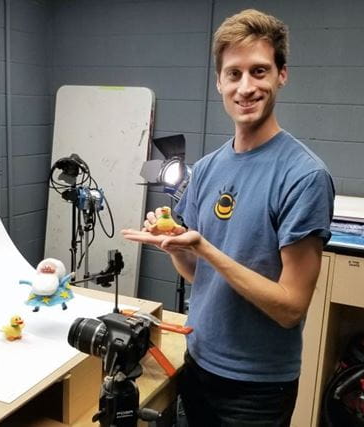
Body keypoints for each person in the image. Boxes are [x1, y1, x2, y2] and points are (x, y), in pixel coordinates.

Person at [122, 9, 335, 426]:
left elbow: (290, 307)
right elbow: (199, 275)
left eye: (259, 71)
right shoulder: (207, 169)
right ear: (219, 82)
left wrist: (204, 247)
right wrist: (176, 246)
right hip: (197, 364)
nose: (246, 87)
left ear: (281, 75)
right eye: (234, 74)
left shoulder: (304, 176)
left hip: (255, 389)